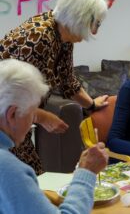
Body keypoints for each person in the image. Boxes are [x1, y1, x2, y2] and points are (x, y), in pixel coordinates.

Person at [0, 0, 109, 175]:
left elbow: (68, 80)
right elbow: (14, 100)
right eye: (95, 23)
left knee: (31, 176)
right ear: (80, 16)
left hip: (15, 120)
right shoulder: (38, 38)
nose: (95, 31)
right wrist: (43, 117)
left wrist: (91, 105)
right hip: (6, 122)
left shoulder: (63, 34)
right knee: (26, 177)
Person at [0, 59, 108, 213]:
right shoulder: (8, 169)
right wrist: (86, 172)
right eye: (33, 113)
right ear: (12, 114)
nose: (32, 121)